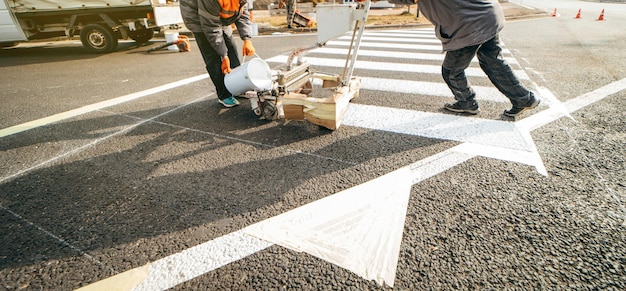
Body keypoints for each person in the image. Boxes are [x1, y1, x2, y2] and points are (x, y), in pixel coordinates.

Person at [418, 0, 540, 117]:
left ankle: (467, 102)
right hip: (487, 14)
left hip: (468, 25)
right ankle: (524, 99)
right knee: (492, 61)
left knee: (451, 71)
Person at [180, 0, 256, 107]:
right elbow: (212, 28)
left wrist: (247, 40)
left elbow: (243, 14)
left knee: (231, 48)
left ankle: (238, 87)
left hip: (219, 16)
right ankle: (224, 95)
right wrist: (224, 56)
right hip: (199, 17)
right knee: (213, 57)